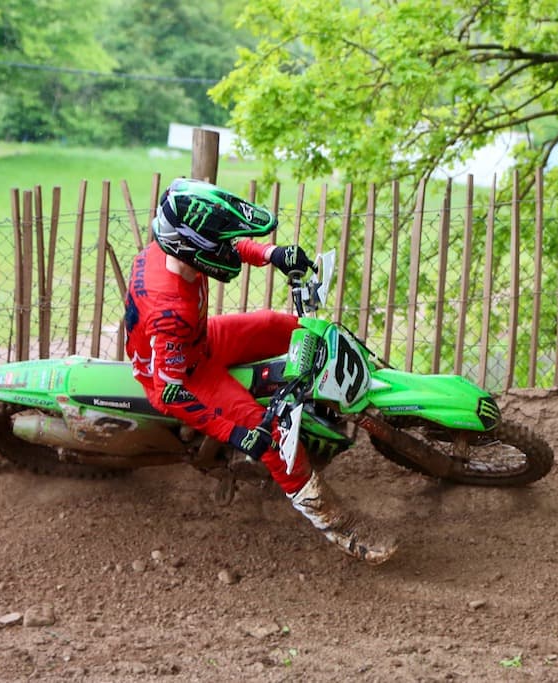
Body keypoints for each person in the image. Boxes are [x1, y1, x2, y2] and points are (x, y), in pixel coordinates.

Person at [124, 178, 396, 564]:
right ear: (193, 247)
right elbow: (172, 391)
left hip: (199, 339)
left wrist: (272, 254)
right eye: (215, 246)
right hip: (186, 373)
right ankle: (336, 521)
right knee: (269, 436)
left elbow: (228, 244)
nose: (226, 250)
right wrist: (235, 433)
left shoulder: (165, 249)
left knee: (279, 325)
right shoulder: (171, 308)